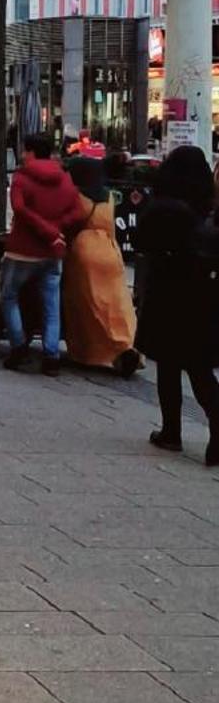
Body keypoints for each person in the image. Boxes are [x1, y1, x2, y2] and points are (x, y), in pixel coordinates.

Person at [135, 144, 219, 464]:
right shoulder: (206, 208)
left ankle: (172, 431)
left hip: (167, 293)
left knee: (168, 364)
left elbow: (142, 243)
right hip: (203, 295)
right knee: (198, 367)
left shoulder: (163, 207)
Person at [1, 132, 84, 376]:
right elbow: (78, 212)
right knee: (51, 303)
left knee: (9, 295)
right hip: (53, 251)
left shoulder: (22, 178)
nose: (23, 155)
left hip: (23, 249)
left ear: (31, 152)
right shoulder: (65, 178)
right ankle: (51, 355)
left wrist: (46, 230)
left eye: (25, 150)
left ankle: (18, 347)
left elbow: (19, 209)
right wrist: (57, 229)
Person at [62, 155, 140, 375]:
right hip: (109, 250)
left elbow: (69, 225)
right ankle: (127, 344)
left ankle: (96, 352)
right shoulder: (108, 198)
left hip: (84, 252)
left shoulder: (77, 197)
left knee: (91, 306)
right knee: (118, 302)